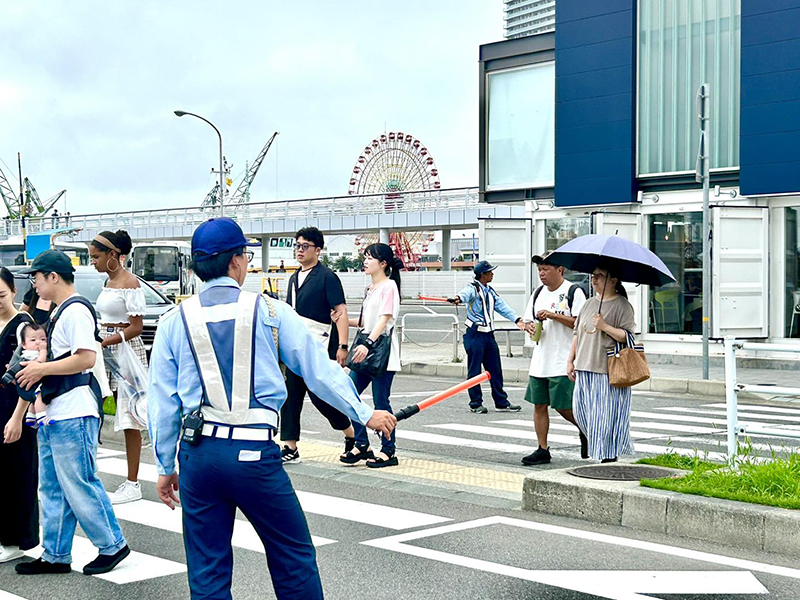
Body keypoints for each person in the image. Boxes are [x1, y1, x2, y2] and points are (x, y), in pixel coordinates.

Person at [147, 217, 396, 600]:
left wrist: (166, 467)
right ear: (235, 262)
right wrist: (364, 413)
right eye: (245, 255)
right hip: (253, 453)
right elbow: (318, 368)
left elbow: (162, 403)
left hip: (198, 453)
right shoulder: (270, 311)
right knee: (291, 555)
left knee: (207, 567)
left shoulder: (173, 321)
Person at [15, 250, 129, 576]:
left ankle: (112, 544)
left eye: (36, 277)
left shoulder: (76, 310)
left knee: (79, 482)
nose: (34, 285)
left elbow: (86, 358)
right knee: (52, 486)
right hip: (58, 409)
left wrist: (41, 370)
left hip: (75, 409)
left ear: (53, 276)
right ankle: (55, 554)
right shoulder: (60, 311)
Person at [280, 227, 354, 464]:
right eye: (297, 246)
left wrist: (343, 346)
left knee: (321, 396)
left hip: (320, 346)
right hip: (295, 347)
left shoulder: (327, 277)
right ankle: (290, 446)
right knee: (290, 396)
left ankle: (350, 431)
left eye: (305, 246)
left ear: (318, 250)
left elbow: (340, 311)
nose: (300, 250)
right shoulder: (293, 278)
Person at [90, 230, 148, 504]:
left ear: (113, 255)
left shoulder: (131, 283)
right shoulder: (108, 282)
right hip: (107, 347)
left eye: (96, 256)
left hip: (125, 351)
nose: (93, 262)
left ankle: (133, 482)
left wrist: (106, 340)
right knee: (104, 406)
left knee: (130, 417)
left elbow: (137, 327)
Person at [338, 243, 402, 468]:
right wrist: (342, 320)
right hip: (366, 349)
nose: (365, 261)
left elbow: (384, 320)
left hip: (381, 352)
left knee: (381, 402)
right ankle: (362, 443)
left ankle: (388, 451)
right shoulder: (370, 289)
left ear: (383, 263)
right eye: (364, 257)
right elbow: (367, 321)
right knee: (348, 395)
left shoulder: (389, 286)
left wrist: (367, 343)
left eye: (370, 258)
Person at [520, 253, 588, 466]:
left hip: (563, 358)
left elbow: (581, 324)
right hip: (541, 359)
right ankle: (542, 449)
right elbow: (526, 320)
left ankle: (587, 430)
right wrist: (528, 326)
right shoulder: (538, 293)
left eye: (546, 269)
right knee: (539, 405)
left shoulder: (573, 292)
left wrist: (553, 315)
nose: (542, 274)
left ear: (560, 270)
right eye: (540, 270)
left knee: (563, 406)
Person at [567, 264, 636, 463]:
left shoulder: (622, 305)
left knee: (604, 418)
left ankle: (608, 457)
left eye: (600, 276)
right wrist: (570, 360)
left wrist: (605, 326)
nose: (594, 279)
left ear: (613, 281)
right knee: (581, 412)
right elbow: (576, 333)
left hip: (607, 370)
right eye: (593, 275)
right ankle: (599, 448)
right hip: (584, 367)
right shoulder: (589, 304)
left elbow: (628, 337)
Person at [449, 260, 524, 414]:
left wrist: (517, 319)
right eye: (490, 272)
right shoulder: (472, 289)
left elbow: (502, 306)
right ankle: (475, 403)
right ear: (483, 275)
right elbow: (464, 295)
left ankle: (501, 402)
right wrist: (457, 298)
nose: (492, 274)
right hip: (475, 335)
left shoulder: (490, 291)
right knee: (474, 371)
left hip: (489, 336)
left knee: (495, 369)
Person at [0, 267, 37, 564]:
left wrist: (18, 418)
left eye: (1, 294)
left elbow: (30, 376)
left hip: (14, 409)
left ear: (13, 291)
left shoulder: (23, 325)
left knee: (16, 474)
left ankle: (15, 539)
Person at [15, 322, 48, 428]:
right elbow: (40, 363)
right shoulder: (31, 353)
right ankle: (42, 416)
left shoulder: (24, 354)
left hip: (28, 382)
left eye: (43, 339)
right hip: (33, 380)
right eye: (33, 340)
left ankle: (30, 415)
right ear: (23, 344)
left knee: (33, 398)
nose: (38, 342)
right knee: (39, 395)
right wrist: (43, 350)